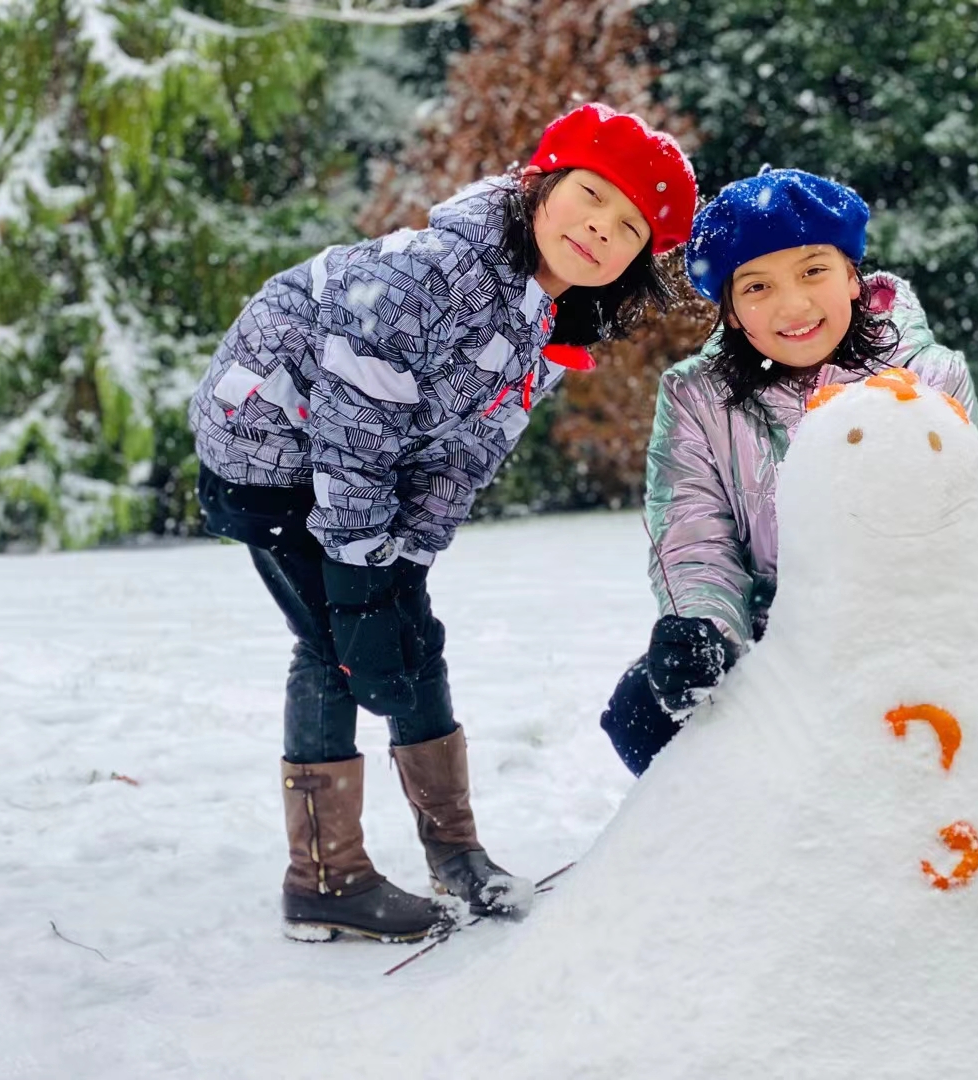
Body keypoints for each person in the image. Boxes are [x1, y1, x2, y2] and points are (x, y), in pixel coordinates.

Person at [189, 104, 696, 940]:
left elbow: (465, 451)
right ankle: (324, 878)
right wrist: (361, 579)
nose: (599, 229)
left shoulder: (543, 317)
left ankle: (455, 852)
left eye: (629, 227)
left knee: (412, 638)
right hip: (271, 455)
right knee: (336, 647)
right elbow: (355, 432)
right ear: (542, 184)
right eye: (590, 195)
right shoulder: (432, 277)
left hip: (360, 476)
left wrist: (409, 561)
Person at [601, 167, 978, 777]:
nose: (793, 304)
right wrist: (705, 629)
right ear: (729, 311)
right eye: (756, 287)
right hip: (770, 635)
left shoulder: (929, 377)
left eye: (813, 271)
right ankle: (743, 849)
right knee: (641, 713)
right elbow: (693, 533)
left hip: (907, 628)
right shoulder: (697, 396)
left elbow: (956, 534)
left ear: (853, 277)